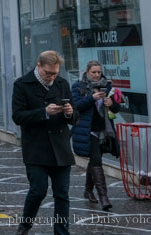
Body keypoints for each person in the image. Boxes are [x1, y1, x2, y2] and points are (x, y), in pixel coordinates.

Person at [12, 50, 75, 235]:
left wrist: (70, 113)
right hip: (36, 149)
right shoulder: (22, 84)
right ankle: (25, 224)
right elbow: (17, 116)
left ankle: (62, 232)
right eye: (48, 73)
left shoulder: (62, 83)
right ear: (38, 66)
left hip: (61, 149)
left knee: (62, 194)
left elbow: (74, 116)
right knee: (38, 190)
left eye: (55, 73)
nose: (51, 77)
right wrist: (44, 112)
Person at [72, 59, 122, 210]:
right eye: (93, 72)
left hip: (104, 130)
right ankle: (104, 197)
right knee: (96, 160)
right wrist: (91, 98)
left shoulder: (107, 86)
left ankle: (88, 191)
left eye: (98, 72)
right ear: (87, 72)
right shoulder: (78, 86)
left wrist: (111, 104)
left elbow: (117, 108)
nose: (96, 75)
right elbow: (76, 106)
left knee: (95, 160)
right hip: (88, 130)